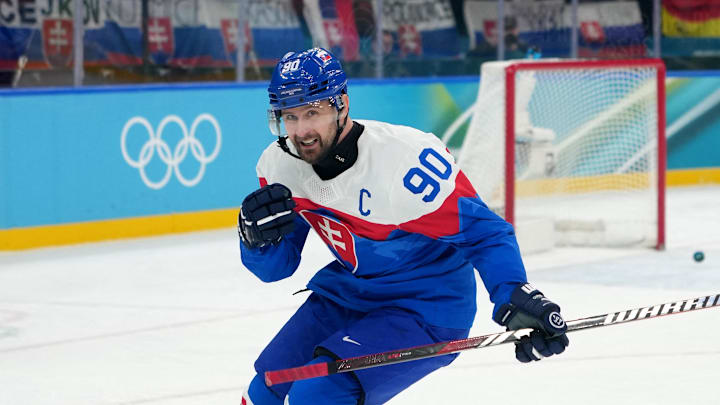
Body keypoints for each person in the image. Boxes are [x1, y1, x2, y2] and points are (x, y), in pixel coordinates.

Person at [238, 47, 569, 405]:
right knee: (265, 390)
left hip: (426, 305)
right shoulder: (279, 165)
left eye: (312, 113)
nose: (301, 131)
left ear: (342, 104)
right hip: (349, 293)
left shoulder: (403, 161)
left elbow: (485, 234)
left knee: (318, 393)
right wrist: (255, 240)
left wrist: (515, 294)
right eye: (290, 117)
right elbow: (278, 267)